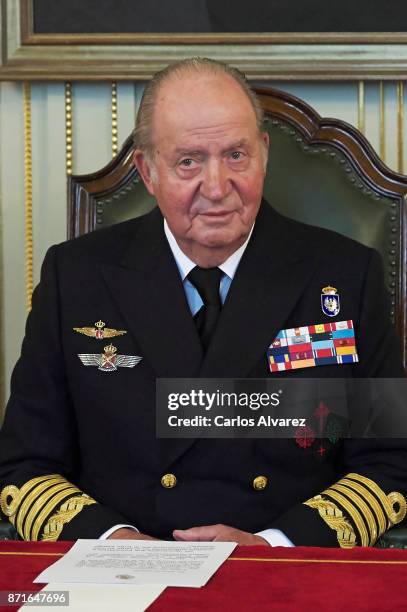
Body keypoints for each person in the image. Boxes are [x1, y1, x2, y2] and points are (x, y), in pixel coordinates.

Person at [0, 58, 406, 548]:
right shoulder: (76, 278)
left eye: (236, 155)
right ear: (147, 171)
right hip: (118, 570)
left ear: (264, 154)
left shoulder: (344, 277)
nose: (217, 189)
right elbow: (25, 464)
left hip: (280, 570)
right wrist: (110, 541)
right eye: (188, 161)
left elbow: (389, 460)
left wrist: (278, 544)